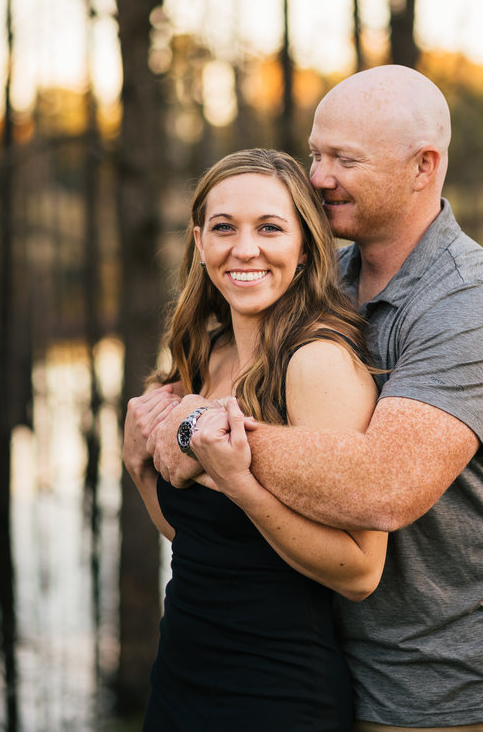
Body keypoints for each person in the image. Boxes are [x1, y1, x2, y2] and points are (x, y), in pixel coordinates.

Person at [124, 148, 387, 732]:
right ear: (199, 242)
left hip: (278, 691)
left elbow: (361, 571)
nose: (245, 249)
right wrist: (140, 467)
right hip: (179, 676)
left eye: (270, 227)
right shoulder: (206, 351)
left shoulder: (316, 364)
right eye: (224, 228)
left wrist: (239, 482)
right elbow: (195, 537)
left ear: (305, 243)